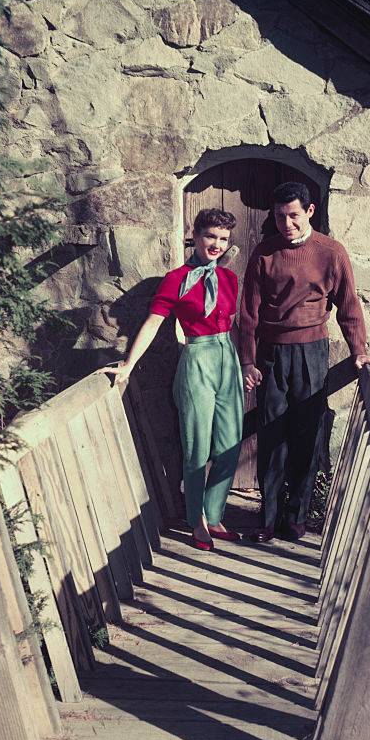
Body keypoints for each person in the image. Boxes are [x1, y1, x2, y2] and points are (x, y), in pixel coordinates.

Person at [239, 181, 370, 543]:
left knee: (306, 434)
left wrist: (359, 349)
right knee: (271, 434)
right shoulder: (264, 253)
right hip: (271, 354)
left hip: (311, 352)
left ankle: (297, 517)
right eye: (279, 217)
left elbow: (349, 307)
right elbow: (247, 316)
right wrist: (247, 361)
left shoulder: (331, 252)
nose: (286, 224)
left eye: (293, 216)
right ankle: (268, 518)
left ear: (310, 212)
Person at [102, 208, 243, 552]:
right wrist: (128, 365)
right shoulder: (176, 278)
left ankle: (215, 512)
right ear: (195, 235)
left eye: (223, 239)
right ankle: (196, 519)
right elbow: (152, 324)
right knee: (196, 446)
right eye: (210, 236)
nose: (216, 245)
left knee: (230, 445)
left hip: (228, 360)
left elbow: (237, 323)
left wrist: (247, 364)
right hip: (196, 359)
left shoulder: (228, 279)